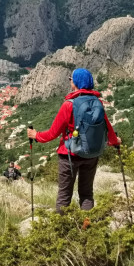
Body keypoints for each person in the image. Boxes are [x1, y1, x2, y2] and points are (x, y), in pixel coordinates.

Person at [27, 68, 120, 212]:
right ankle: (87, 227)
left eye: (71, 79)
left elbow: (52, 133)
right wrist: (115, 142)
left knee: (64, 195)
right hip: (91, 154)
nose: (70, 81)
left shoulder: (69, 104)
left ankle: (62, 230)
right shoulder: (98, 103)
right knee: (87, 193)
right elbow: (107, 127)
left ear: (76, 82)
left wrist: (36, 135)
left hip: (69, 155)